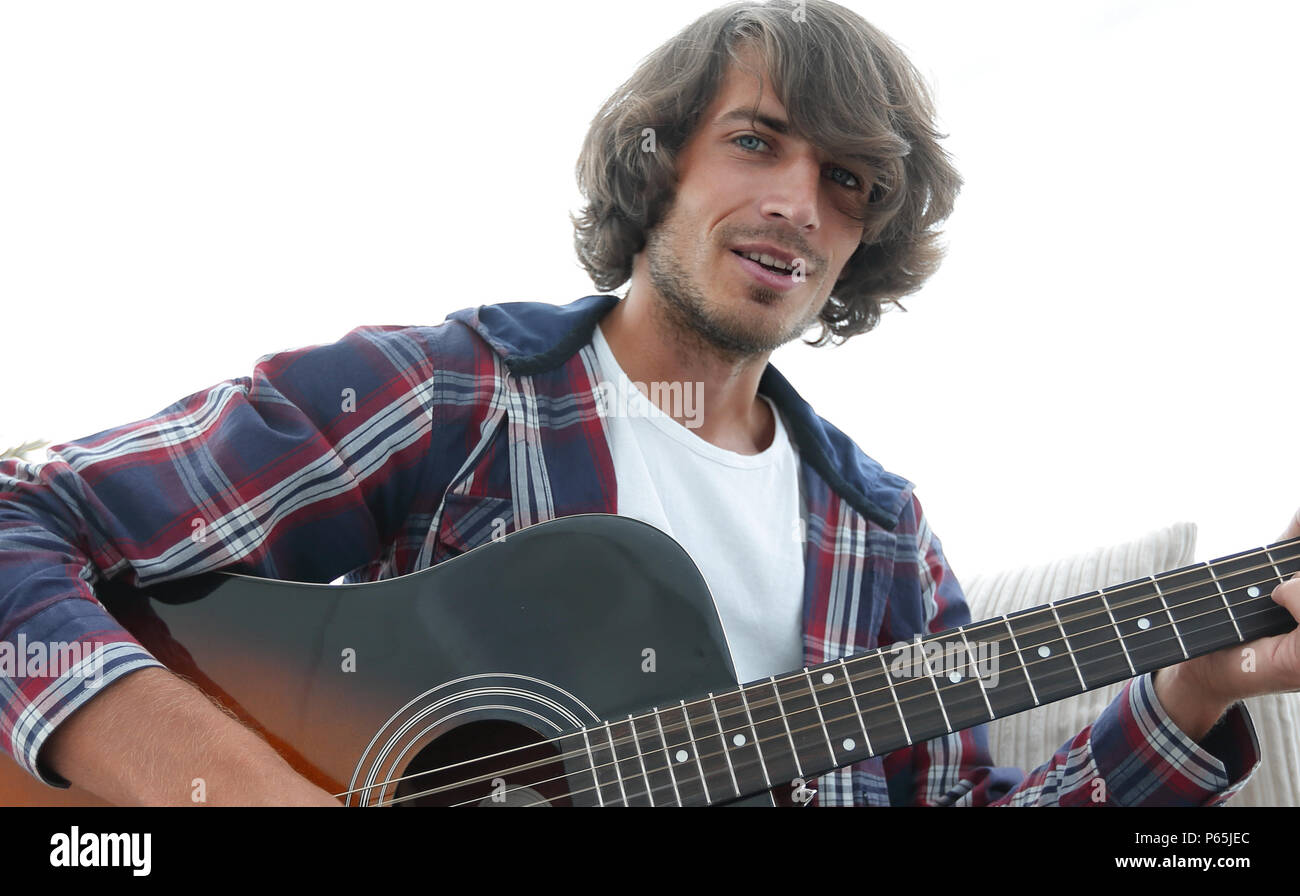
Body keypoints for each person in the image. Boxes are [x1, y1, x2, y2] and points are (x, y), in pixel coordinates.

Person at [2, 0, 1298, 807]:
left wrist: (1188, 694)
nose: (801, 200)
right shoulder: (450, 398)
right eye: (758, 139)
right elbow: (21, 525)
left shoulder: (886, 541)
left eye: (849, 180)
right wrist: (219, 784)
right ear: (657, 158)